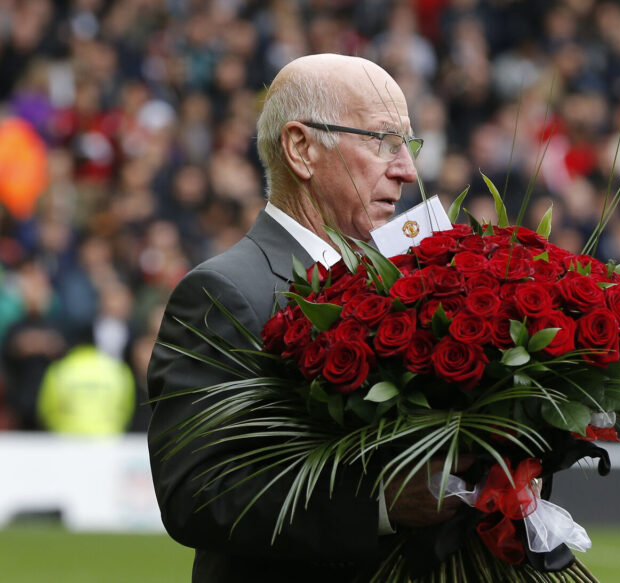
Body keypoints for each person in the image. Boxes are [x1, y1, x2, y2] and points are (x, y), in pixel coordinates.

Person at [147, 54, 465, 582]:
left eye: (408, 145)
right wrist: (380, 506)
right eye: (382, 141)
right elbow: (198, 493)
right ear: (301, 149)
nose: (408, 170)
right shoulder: (222, 293)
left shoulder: (411, 283)